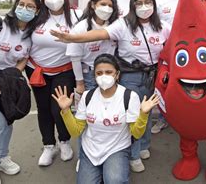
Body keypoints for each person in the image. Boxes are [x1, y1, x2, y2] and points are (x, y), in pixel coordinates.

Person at [50, 0, 171, 173]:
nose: (144, 7)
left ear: (154, 5)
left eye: (148, 3)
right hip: (129, 75)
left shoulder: (163, 26)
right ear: (132, 7)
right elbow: (98, 34)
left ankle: (143, 146)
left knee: (146, 112)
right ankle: (133, 154)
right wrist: (72, 38)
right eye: (139, 3)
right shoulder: (123, 24)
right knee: (133, 114)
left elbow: (174, 46)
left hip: (152, 76)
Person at [51, 54, 160, 184]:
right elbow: (76, 132)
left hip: (117, 148)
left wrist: (143, 114)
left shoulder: (129, 96)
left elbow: (136, 133)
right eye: (99, 73)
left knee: (115, 180)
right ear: (95, 76)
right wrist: (66, 111)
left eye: (108, 72)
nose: (104, 76)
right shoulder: (87, 96)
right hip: (90, 149)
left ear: (117, 74)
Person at [0, 0, 41, 184]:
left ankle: (3, 157)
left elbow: (24, 58)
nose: (25, 9)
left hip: (9, 81)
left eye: (30, 6)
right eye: (22, 4)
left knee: (8, 121)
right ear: (15, 5)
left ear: (37, 11)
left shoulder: (31, 34)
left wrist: (13, 75)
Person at [25, 0, 81, 167]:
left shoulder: (77, 15)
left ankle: (64, 141)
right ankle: (49, 145)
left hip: (64, 70)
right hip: (37, 71)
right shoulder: (35, 17)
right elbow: (12, 25)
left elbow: (100, 25)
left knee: (59, 109)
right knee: (43, 109)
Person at [66, 0, 119, 171]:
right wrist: (80, 83)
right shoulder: (82, 27)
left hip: (111, 77)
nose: (106, 9)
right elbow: (74, 57)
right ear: (92, 5)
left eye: (110, 5)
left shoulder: (115, 26)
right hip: (89, 77)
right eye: (103, 4)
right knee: (86, 118)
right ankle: (84, 156)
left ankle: (108, 155)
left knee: (108, 118)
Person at [152, 0, 182, 134]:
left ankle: (181, 118)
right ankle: (163, 118)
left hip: (183, 50)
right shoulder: (158, 0)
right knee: (163, 82)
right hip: (164, 49)